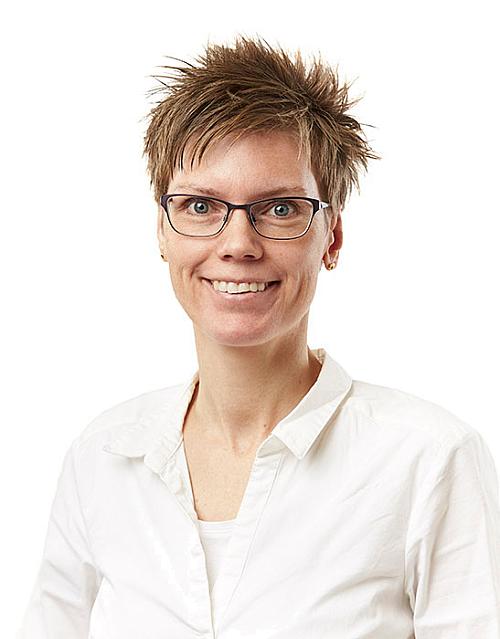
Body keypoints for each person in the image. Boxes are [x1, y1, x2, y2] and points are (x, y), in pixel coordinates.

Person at [18, 35, 500, 638]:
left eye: (279, 208)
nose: (238, 245)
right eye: (200, 206)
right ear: (162, 232)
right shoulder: (103, 457)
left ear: (332, 238)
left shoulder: (428, 459)